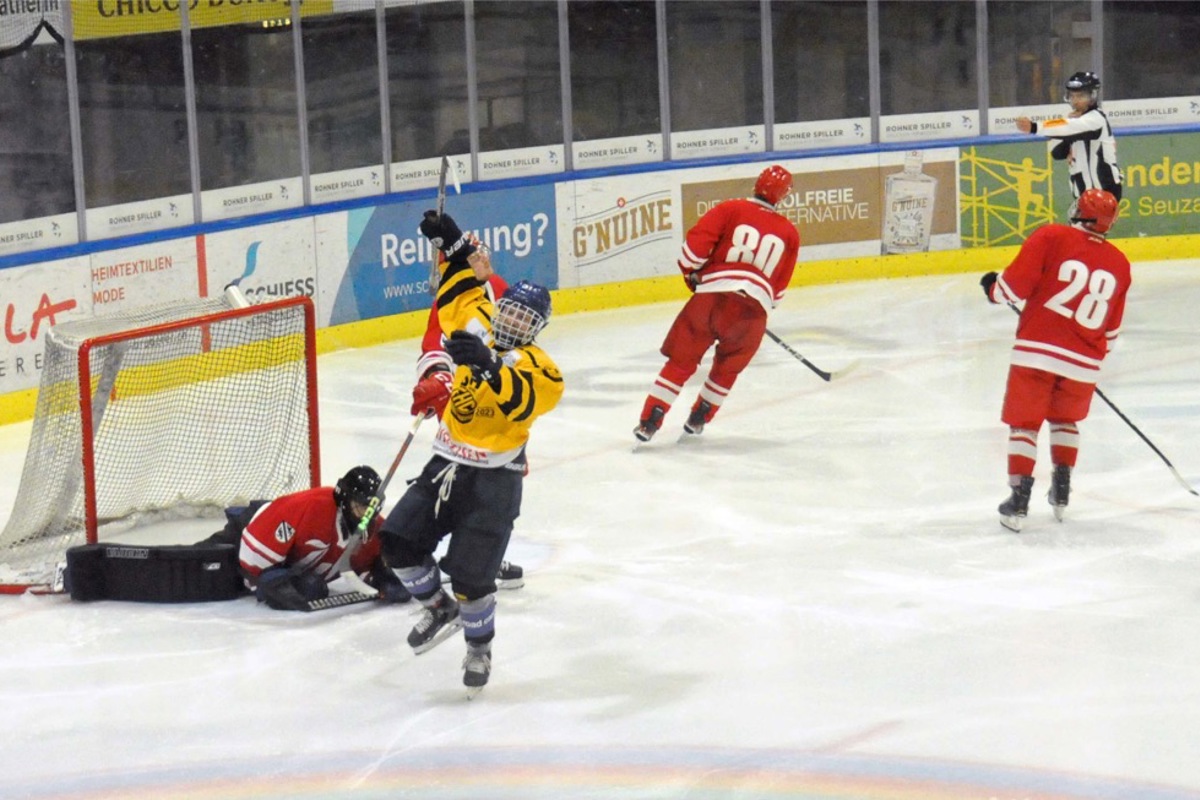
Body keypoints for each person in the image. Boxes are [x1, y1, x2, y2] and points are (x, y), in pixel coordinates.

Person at [379, 269, 563, 695]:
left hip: (496, 480)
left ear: (537, 328)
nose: (514, 322)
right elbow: (457, 294)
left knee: (472, 578)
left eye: (525, 319)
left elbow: (521, 401)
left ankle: (479, 648)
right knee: (397, 542)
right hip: (445, 463)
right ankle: (439, 608)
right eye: (511, 312)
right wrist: (451, 246)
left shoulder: (542, 368)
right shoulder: (480, 321)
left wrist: (489, 363)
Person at [979, 188, 1130, 532]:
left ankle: (1018, 502)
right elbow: (1111, 333)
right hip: (1083, 362)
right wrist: (1084, 357)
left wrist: (992, 289)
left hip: (1037, 353)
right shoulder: (1120, 262)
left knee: (1025, 425)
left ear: (1080, 213)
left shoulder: (1051, 235)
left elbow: (1012, 288)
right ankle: (1061, 492)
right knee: (1065, 421)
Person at [633, 164, 800, 442]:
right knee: (727, 369)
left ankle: (650, 421)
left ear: (755, 184)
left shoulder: (730, 209)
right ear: (783, 196)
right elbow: (778, 293)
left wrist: (692, 273)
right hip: (753, 313)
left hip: (711, 300)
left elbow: (692, 252)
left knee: (680, 362)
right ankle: (699, 418)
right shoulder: (790, 233)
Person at [202, 465, 411, 611]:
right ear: (345, 502)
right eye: (361, 507)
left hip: (282, 551)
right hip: (247, 533)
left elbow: (367, 565)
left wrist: (382, 577)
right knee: (192, 570)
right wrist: (268, 584)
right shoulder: (311, 507)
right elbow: (251, 560)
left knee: (312, 587)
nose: (368, 515)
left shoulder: (374, 529)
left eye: (372, 508)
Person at [1016, 71, 1122, 206]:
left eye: (1081, 96)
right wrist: (1066, 133)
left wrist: (1034, 127)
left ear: (1092, 96)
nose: (1075, 101)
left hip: (1104, 192)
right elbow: (1057, 152)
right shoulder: (1070, 124)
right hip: (1083, 195)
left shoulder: (1096, 119)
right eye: (1072, 96)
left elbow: (1070, 127)